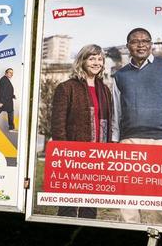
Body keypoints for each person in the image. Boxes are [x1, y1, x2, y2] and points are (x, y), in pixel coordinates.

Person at [113, 27, 162, 227]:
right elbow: (116, 113)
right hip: (129, 141)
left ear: (151, 44)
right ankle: (132, 237)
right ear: (128, 46)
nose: (140, 45)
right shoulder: (120, 75)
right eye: (135, 41)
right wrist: (115, 143)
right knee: (128, 201)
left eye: (145, 41)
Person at [49, 44, 114, 219]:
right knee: (68, 204)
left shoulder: (105, 90)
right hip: (73, 154)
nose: (97, 63)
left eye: (100, 59)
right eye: (92, 59)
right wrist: (64, 152)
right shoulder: (67, 88)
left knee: (90, 204)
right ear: (82, 61)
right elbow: (58, 125)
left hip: (98, 154)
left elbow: (109, 122)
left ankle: (86, 230)